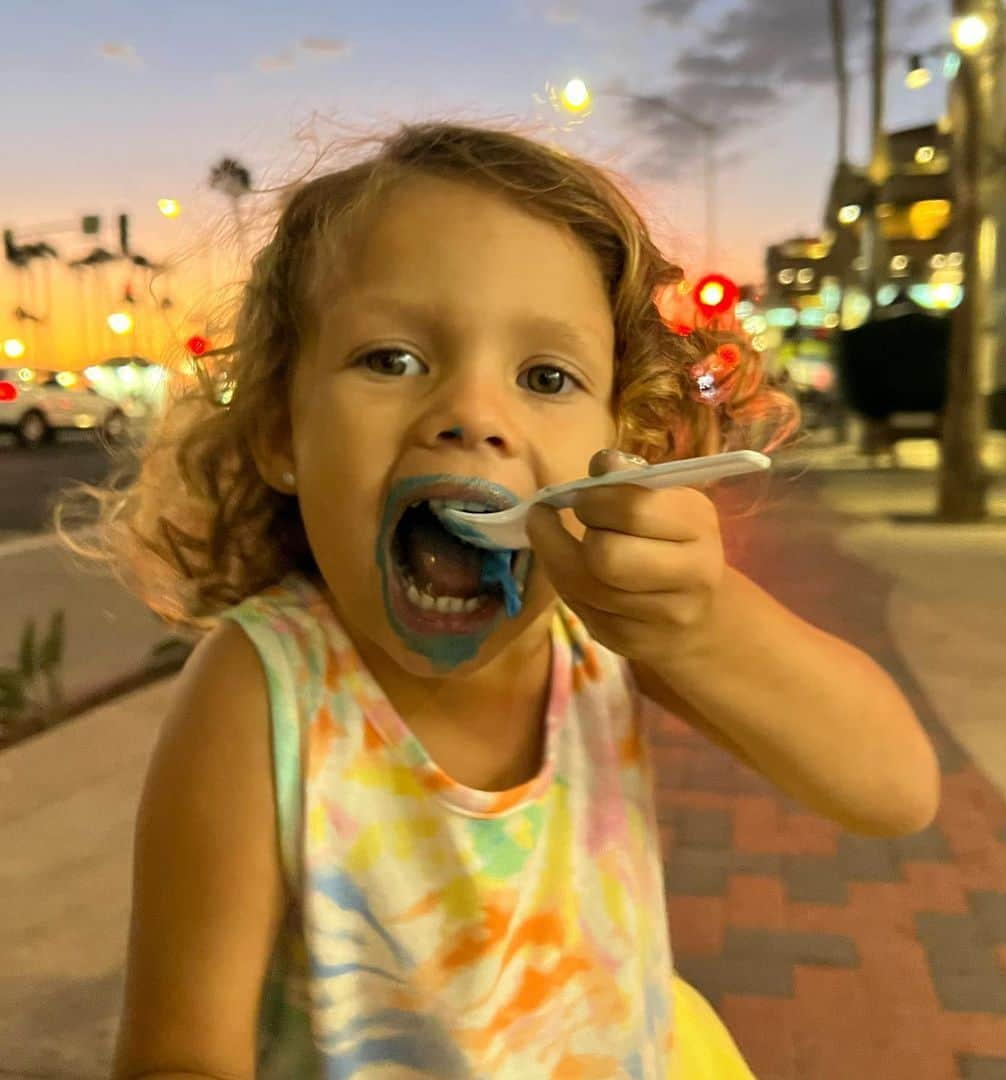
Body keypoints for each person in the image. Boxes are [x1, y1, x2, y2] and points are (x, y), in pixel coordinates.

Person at [74, 122, 940, 1079]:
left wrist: (704, 624)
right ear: (284, 429)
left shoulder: (599, 635)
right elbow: (179, 1051)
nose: (476, 415)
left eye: (545, 377)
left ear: (623, 445)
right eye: (393, 359)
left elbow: (894, 792)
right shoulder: (264, 691)